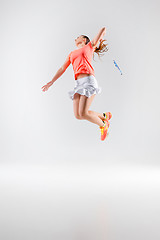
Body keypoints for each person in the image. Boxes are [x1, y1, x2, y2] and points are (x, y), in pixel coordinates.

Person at [41, 27, 112, 141]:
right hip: (78, 84)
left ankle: (104, 125)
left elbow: (102, 30)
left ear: (84, 40)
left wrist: (103, 32)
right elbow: (62, 68)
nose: (76, 38)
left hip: (89, 81)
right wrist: (52, 81)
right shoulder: (72, 53)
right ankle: (104, 116)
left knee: (83, 113)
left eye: (78, 36)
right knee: (78, 115)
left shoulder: (89, 47)